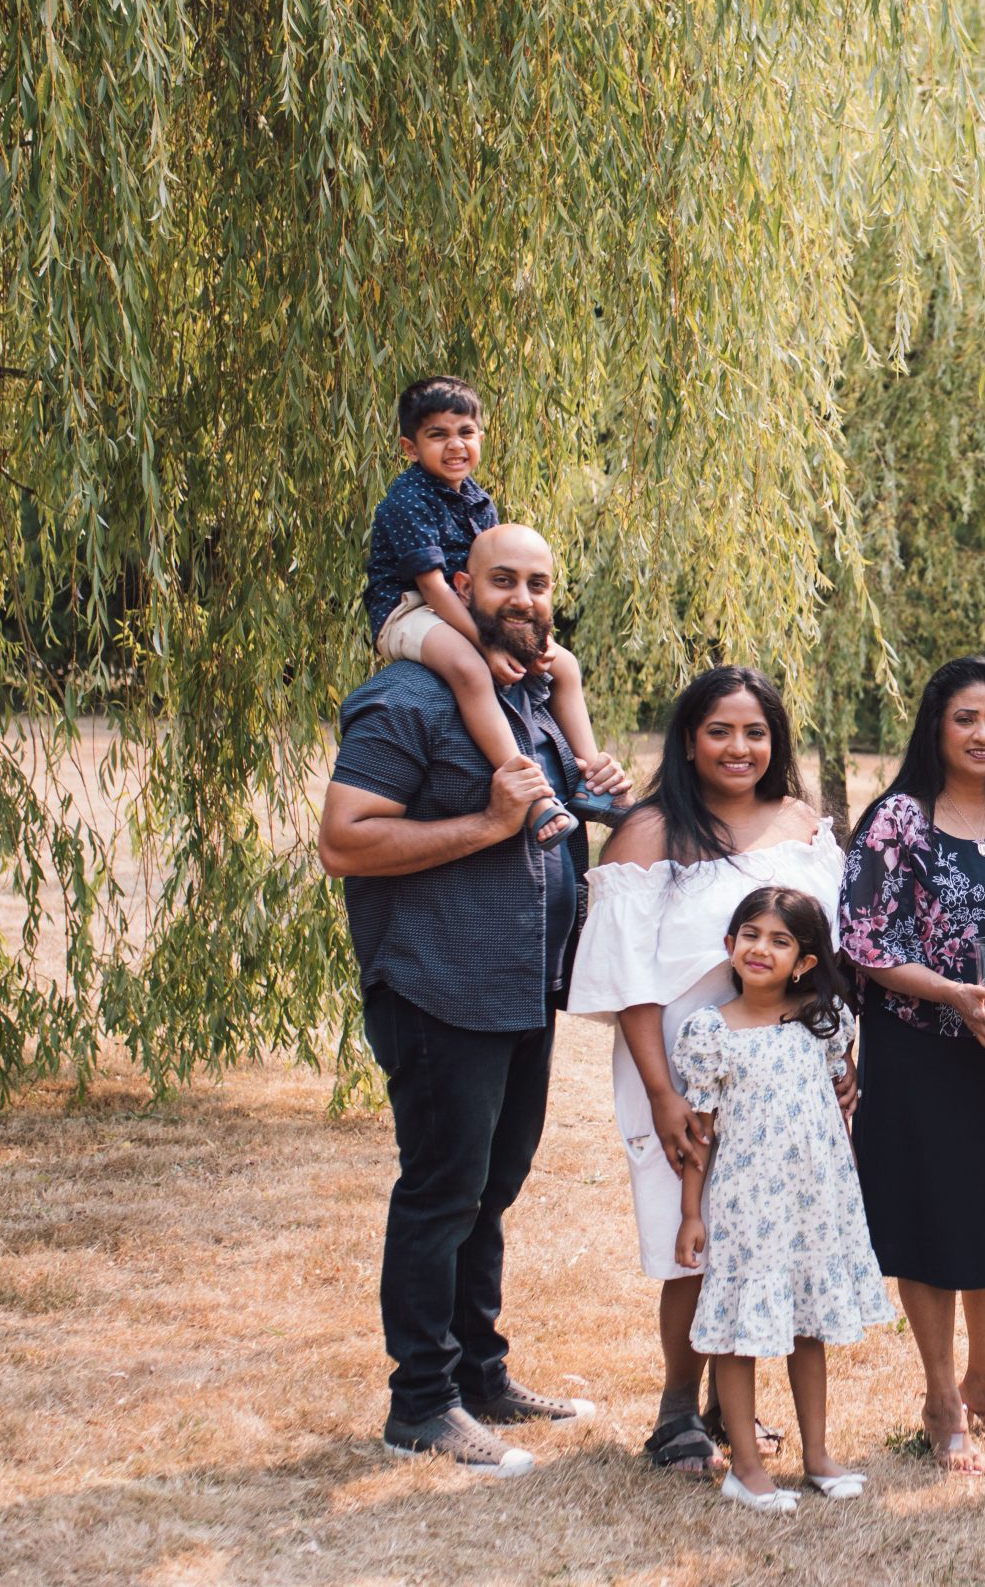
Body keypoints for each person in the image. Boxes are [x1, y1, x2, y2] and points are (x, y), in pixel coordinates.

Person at [316, 522, 602, 1478]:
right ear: (457, 587)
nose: (524, 598)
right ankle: (422, 1404)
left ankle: (483, 1376)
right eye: (503, 581)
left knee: (494, 1187)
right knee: (442, 1192)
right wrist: (486, 823)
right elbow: (346, 840)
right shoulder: (410, 697)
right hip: (441, 984)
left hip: (524, 986)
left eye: (540, 582)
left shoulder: (533, 700)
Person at [565, 665, 844, 1477]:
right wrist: (662, 1093)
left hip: (791, 1076)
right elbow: (628, 977)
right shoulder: (653, 830)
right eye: (719, 730)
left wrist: (841, 1056)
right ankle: (678, 1406)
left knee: (771, 1226)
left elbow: (831, 956)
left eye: (755, 731)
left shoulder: (800, 821)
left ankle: (738, 1402)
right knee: (693, 1234)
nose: (738, 746)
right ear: (689, 739)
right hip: (688, 1070)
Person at [837, 657, 985, 1475]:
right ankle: (939, 1393)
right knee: (929, 1218)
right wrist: (953, 995)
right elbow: (863, 939)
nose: (983, 734)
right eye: (967, 718)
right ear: (937, 723)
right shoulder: (897, 818)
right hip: (916, 1042)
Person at [671, 887, 892, 1513]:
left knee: (808, 1326)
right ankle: (744, 1466)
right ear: (730, 946)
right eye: (750, 934)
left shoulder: (822, 1022)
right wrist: (692, 1212)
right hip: (748, 1205)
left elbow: (839, 1093)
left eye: (780, 940)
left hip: (816, 1202)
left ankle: (817, 1454)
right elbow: (702, 1130)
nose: (761, 948)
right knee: (743, 1333)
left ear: (805, 962)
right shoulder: (711, 1031)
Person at [362, 375, 626, 841]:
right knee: (469, 668)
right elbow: (436, 589)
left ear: (480, 437)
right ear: (410, 447)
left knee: (563, 663)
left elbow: (485, 578)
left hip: (462, 603)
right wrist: (486, 644)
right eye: (437, 435)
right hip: (408, 609)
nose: (454, 445)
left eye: (465, 432)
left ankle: (590, 778)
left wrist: (533, 644)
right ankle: (532, 795)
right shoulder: (408, 500)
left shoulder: (478, 501)